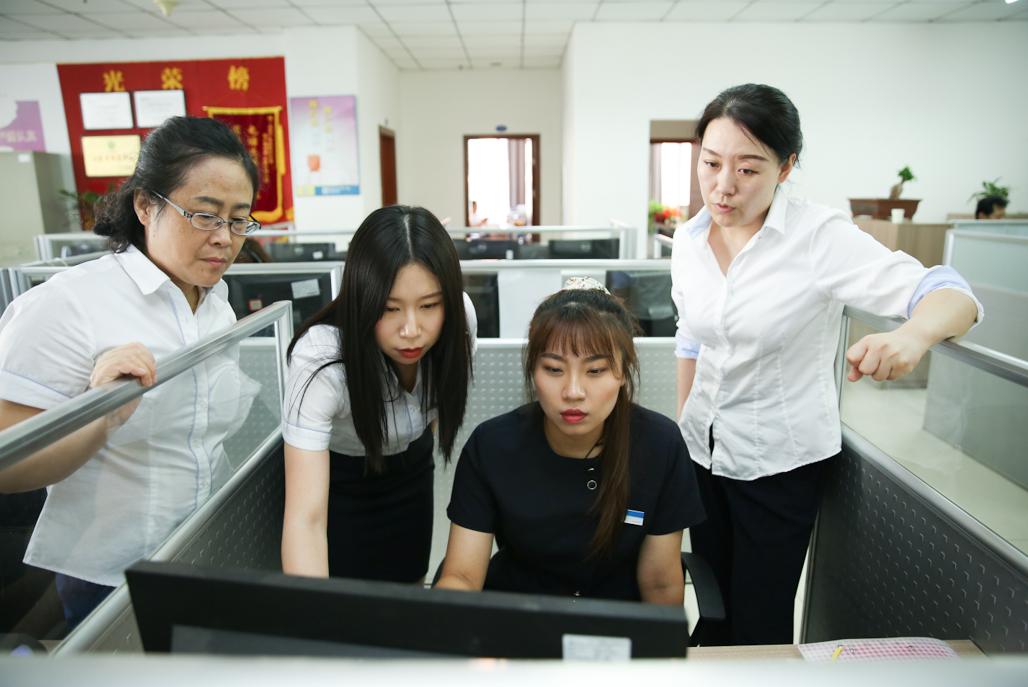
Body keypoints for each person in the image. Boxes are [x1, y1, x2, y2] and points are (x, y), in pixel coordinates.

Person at [671, 84, 982, 645]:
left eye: (748, 169)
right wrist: (682, 430)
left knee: (759, 624)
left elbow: (954, 295)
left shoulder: (818, 238)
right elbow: (692, 338)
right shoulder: (688, 240)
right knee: (713, 608)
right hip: (702, 454)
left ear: (786, 167)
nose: (723, 185)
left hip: (777, 463)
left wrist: (911, 337)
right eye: (711, 163)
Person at [0, 116, 261, 629]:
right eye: (204, 215)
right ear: (145, 205)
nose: (224, 239)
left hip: (201, 549)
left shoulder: (215, 303)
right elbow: (7, 464)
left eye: (238, 220)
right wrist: (101, 414)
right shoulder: (68, 304)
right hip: (112, 573)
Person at [436, 279, 704, 604]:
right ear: (532, 371)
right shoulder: (492, 447)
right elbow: (462, 577)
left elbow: (660, 585)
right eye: (554, 369)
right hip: (519, 619)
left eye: (595, 370)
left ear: (623, 372)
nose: (573, 392)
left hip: (618, 625)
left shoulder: (660, 446)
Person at [281, 205, 477, 584]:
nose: (411, 329)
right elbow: (306, 519)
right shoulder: (323, 358)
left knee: (408, 590)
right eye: (389, 308)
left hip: (412, 471)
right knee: (345, 607)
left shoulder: (460, 320)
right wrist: (310, 612)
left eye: (429, 305)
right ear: (362, 299)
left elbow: (431, 413)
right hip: (340, 485)